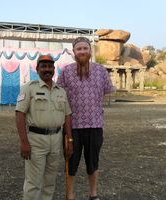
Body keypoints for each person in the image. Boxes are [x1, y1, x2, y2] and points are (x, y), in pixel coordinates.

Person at [57, 37, 115, 200]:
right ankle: (70, 196)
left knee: (93, 162)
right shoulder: (66, 72)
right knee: (71, 163)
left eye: (85, 48)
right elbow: (59, 95)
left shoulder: (101, 71)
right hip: (71, 127)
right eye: (79, 49)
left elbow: (107, 91)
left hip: (95, 125)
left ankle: (93, 194)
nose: (82, 51)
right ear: (73, 52)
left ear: (90, 51)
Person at [15, 55, 73, 200]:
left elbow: (67, 116)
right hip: (36, 140)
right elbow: (19, 114)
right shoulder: (29, 88)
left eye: (50, 66)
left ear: (54, 69)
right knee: (33, 182)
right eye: (44, 66)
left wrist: (69, 140)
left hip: (56, 139)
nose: (47, 69)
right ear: (37, 69)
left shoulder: (61, 91)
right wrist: (23, 142)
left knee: (50, 181)